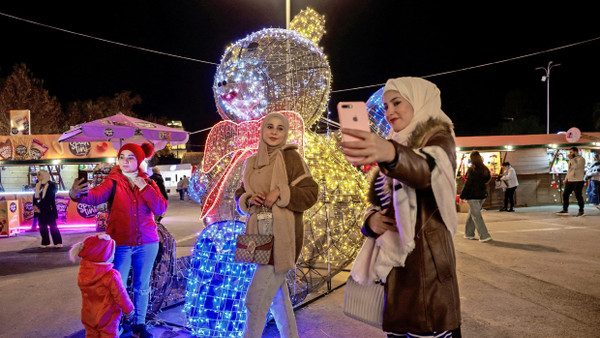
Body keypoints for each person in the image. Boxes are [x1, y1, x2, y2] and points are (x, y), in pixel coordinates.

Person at [340, 77, 461, 337]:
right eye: (385, 106)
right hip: (394, 268)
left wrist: (391, 153)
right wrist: (370, 220)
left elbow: (426, 171)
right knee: (398, 332)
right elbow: (378, 201)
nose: (389, 111)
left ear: (418, 101)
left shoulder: (439, 136)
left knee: (425, 329)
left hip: (426, 268)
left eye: (397, 102)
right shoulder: (394, 141)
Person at [70, 142, 167, 338]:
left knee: (142, 285)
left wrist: (145, 189)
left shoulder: (149, 182)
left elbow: (160, 208)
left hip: (148, 242)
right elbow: (95, 196)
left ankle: (139, 324)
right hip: (120, 243)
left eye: (130, 157)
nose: (125, 161)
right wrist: (78, 195)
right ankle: (117, 322)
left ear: (139, 161)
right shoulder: (113, 181)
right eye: (122, 157)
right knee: (117, 286)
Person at [235, 112, 318, 338]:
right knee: (279, 299)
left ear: (286, 132)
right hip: (257, 235)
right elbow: (241, 193)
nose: (274, 132)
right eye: (270, 127)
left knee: (255, 300)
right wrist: (249, 199)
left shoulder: (291, 158)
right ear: (262, 130)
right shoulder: (251, 162)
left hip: (281, 236)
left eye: (280, 128)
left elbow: (311, 193)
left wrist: (281, 192)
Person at [69, 234, 134, 337]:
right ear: (103, 254)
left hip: (88, 314)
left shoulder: (84, 272)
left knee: (91, 334)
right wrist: (129, 310)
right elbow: (120, 295)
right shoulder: (111, 275)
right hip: (107, 316)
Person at [460, 151, 493, 242]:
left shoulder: (471, 170)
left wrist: (462, 196)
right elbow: (487, 179)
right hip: (482, 195)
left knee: (476, 216)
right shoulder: (485, 169)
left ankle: (484, 235)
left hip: (472, 196)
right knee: (473, 214)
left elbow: (467, 184)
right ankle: (468, 233)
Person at [33, 170, 62, 248]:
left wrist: (39, 205)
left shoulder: (51, 185)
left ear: (44, 175)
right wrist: (35, 205)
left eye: (39, 175)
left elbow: (49, 197)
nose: (38, 177)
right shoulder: (37, 185)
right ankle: (45, 242)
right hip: (40, 210)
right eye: (37, 175)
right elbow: (35, 196)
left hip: (49, 209)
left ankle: (58, 242)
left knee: (53, 226)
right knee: (42, 226)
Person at [556, 147, 586, 217]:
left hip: (578, 180)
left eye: (571, 152)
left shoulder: (581, 159)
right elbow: (569, 170)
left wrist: (571, 159)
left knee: (578, 195)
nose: (570, 154)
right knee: (565, 194)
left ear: (576, 152)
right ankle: (565, 209)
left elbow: (576, 167)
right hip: (570, 180)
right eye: (570, 152)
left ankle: (581, 210)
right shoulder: (570, 160)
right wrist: (566, 179)